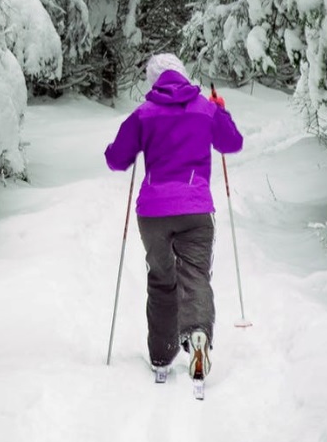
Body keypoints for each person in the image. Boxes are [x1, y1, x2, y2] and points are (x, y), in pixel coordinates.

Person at [104, 53, 243, 380]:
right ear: (182, 75)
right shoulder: (205, 108)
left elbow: (116, 159)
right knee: (195, 275)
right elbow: (231, 142)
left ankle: (162, 356)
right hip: (195, 208)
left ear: (154, 82)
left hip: (153, 212)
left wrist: (134, 144)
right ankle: (198, 336)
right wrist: (220, 111)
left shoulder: (143, 113)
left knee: (162, 279)